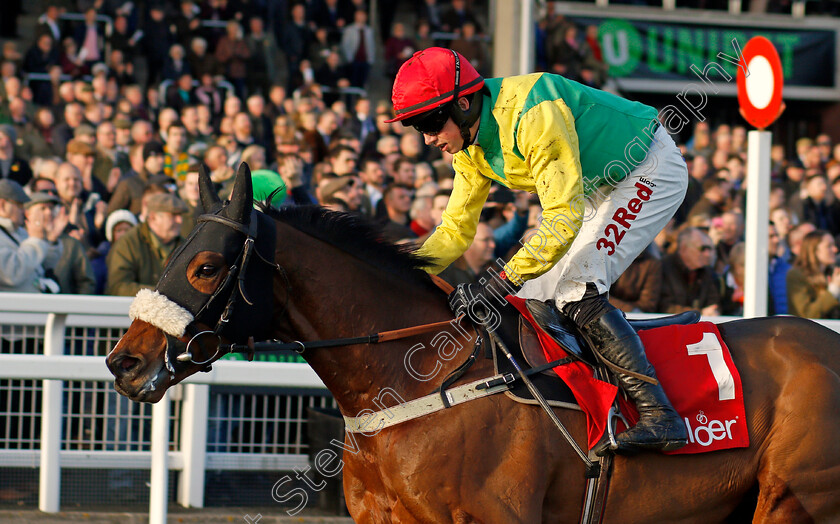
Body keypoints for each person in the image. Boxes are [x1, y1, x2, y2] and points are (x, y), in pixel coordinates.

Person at [387, 47, 689, 454]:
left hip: (647, 169)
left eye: (429, 123)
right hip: (594, 188)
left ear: (462, 103)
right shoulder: (469, 144)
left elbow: (561, 220)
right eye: (416, 127)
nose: (427, 139)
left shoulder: (533, 113)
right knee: (532, 299)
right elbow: (456, 231)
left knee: (576, 287)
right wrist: (400, 268)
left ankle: (659, 414)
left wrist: (499, 280)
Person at [105, 193, 188, 296]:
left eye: (180, 215)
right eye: (173, 215)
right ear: (153, 217)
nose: (179, 220)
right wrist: (162, 294)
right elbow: (118, 287)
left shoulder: (185, 247)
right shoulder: (128, 244)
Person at [0, 180, 65, 293]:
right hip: (13, 308)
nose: (24, 210)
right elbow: (11, 273)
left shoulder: (19, 232)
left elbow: (41, 264)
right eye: (19, 205)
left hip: (34, 304)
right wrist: (36, 241)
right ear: (2, 205)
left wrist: (51, 241)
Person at [786, 230, 840, 319]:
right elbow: (806, 314)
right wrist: (834, 289)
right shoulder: (796, 275)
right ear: (814, 250)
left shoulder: (832, 274)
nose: (835, 249)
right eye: (829, 246)